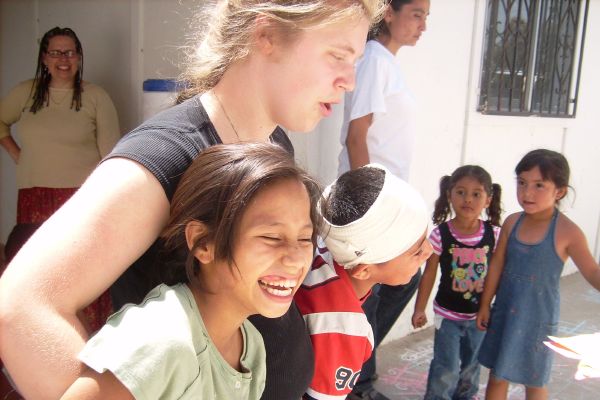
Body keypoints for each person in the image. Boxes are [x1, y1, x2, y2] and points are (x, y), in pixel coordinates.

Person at [0, 2, 386, 400]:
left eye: (355, 60)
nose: (349, 81)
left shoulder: (272, 142)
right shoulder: (164, 158)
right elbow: (22, 306)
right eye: (337, 55)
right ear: (266, 34)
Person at [59, 142, 322, 400]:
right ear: (203, 243)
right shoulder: (161, 340)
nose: (296, 259)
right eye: (271, 237)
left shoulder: (249, 345)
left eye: (304, 238)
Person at [335, 1, 430, 398]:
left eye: (427, 17)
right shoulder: (373, 59)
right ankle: (359, 382)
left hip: (391, 203)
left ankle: (359, 373)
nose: (423, 24)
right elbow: (357, 136)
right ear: (388, 13)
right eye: (416, 13)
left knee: (398, 282)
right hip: (378, 207)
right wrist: (369, 207)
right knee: (373, 290)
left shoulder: (388, 63)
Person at [0, 27, 120, 331]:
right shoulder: (25, 93)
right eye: (55, 52)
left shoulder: (95, 96)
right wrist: (18, 154)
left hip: (80, 198)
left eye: (70, 52)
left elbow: (111, 155)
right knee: (35, 272)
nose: (63, 59)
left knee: (79, 273)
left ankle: (84, 339)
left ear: (79, 57)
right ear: (44, 57)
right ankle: (36, 336)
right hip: (34, 199)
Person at [296, 164, 432, 400]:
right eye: (416, 251)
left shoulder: (327, 246)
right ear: (363, 270)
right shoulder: (343, 329)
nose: (429, 252)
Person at [476, 149, 600, 400]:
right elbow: (497, 263)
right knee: (497, 374)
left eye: (539, 185)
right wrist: (485, 304)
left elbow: (592, 271)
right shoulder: (512, 222)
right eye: (521, 183)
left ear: (560, 191)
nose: (526, 193)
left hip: (538, 321)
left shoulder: (568, 233)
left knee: (535, 380)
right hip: (505, 312)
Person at [411, 165, 502, 400]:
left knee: (472, 366)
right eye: (460, 192)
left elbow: (500, 272)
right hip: (447, 316)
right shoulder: (440, 234)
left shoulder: (495, 235)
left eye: (476, 194)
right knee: (446, 366)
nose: (468, 200)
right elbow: (429, 273)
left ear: (488, 200)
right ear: (449, 195)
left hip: (480, 317)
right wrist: (419, 308)